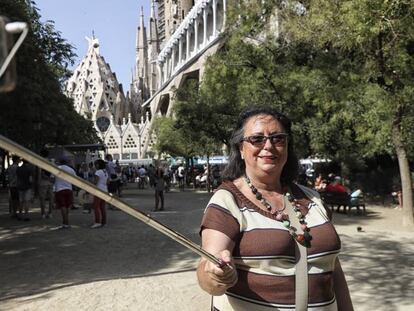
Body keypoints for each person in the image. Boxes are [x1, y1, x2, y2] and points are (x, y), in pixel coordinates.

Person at [197, 107, 353, 310]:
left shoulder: (311, 197)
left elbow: (332, 267)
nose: (268, 145)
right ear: (241, 149)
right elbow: (208, 270)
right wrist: (215, 275)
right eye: (257, 139)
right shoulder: (227, 200)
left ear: (287, 147)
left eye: (278, 138)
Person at [53, 157, 76, 229]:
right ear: (66, 162)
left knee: (62, 206)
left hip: (59, 189)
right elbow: (75, 179)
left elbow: (52, 178)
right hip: (69, 188)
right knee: (68, 205)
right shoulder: (71, 170)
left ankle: (65, 222)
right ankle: (66, 222)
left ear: (60, 162)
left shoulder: (56, 168)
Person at [91, 159, 108, 228]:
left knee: (96, 206)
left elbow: (95, 182)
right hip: (105, 190)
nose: (95, 166)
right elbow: (108, 181)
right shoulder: (105, 171)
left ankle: (98, 221)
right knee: (102, 207)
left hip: (99, 190)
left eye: (95, 164)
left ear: (98, 165)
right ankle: (104, 222)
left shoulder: (98, 172)